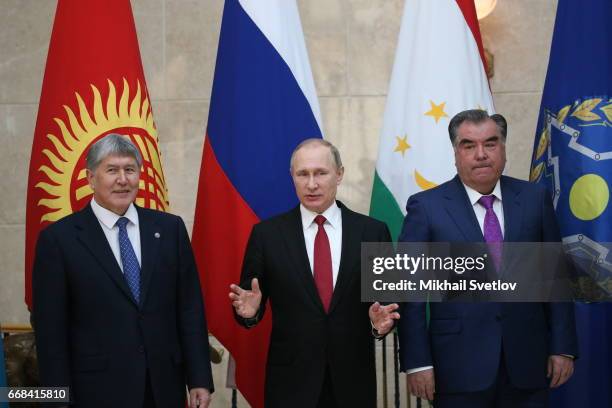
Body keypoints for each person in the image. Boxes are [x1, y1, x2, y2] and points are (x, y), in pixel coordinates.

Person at [398, 110, 578, 408]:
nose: (481, 154)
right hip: (457, 366)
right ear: (455, 153)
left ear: (503, 148)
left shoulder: (535, 199)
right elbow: (411, 293)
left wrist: (563, 347)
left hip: (529, 363)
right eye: (469, 145)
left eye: (490, 144)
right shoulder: (426, 207)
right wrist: (418, 362)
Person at [32, 134, 213, 408]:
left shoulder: (169, 229)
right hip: (94, 392)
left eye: (130, 169)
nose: (122, 179)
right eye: (112, 170)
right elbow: (50, 332)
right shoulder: (59, 240)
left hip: (163, 387)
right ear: (90, 177)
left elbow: (189, 309)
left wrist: (199, 377)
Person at [229, 139, 399, 408]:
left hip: (352, 384)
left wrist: (378, 326)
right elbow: (248, 302)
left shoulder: (373, 232)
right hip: (290, 385)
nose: (311, 184)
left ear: (339, 174)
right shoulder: (267, 235)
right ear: (292, 177)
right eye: (302, 174)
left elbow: (388, 305)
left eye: (320, 173)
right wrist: (248, 312)